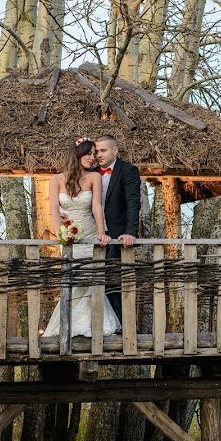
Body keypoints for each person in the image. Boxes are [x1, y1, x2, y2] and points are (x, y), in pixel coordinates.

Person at [42, 138, 119, 338]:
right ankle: (68, 324)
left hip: (90, 233)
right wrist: (61, 235)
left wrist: (103, 233)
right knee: (72, 280)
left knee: (92, 279)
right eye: (89, 154)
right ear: (77, 154)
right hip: (69, 236)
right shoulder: (56, 179)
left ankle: (93, 324)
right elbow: (53, 211)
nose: (93, 158)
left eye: (95, 154)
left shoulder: (94, 177)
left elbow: (96, 207)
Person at [93, 135, 141, 317]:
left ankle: (122, 327)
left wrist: (130, 232)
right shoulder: (91, 172)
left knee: (115, 282)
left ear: (115, 150)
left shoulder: (128, 170)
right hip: (94, 234)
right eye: (96, 151)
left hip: (117, 236)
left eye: (103, 151)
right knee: (94, 281)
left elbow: (133, 202)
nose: (98, 155)